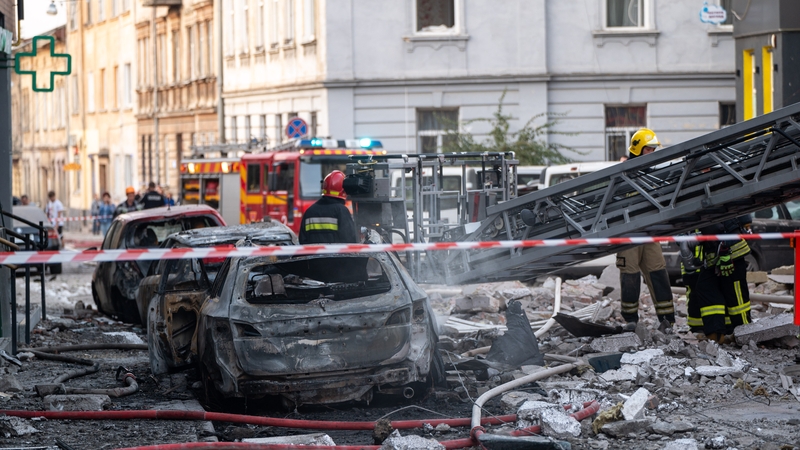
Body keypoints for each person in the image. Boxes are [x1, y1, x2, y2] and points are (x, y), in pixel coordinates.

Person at [615, 128, 675, 330]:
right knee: (629, 275)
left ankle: (667, 320)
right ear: (638, 148)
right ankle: (630, 320)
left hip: (650, 233)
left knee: (658, 272)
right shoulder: (622, 174)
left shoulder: (654, 175)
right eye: (649, 149)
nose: (652, 153)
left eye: (653, 150)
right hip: (628, 234)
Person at [692, 215, 753, 343]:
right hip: (713, 255)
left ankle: (746, 335)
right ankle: (716, 334)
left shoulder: (714, 201)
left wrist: (726, 247)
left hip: (731, 253)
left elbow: (727, 220)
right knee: (705, 288)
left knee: (737, 299)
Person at [298, 170, 358, 245]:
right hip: (335, 256)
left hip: (312, 256)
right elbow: (350, 240)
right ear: (343, 190)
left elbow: (302, 240)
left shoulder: (309, 211)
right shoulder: (341, 211)